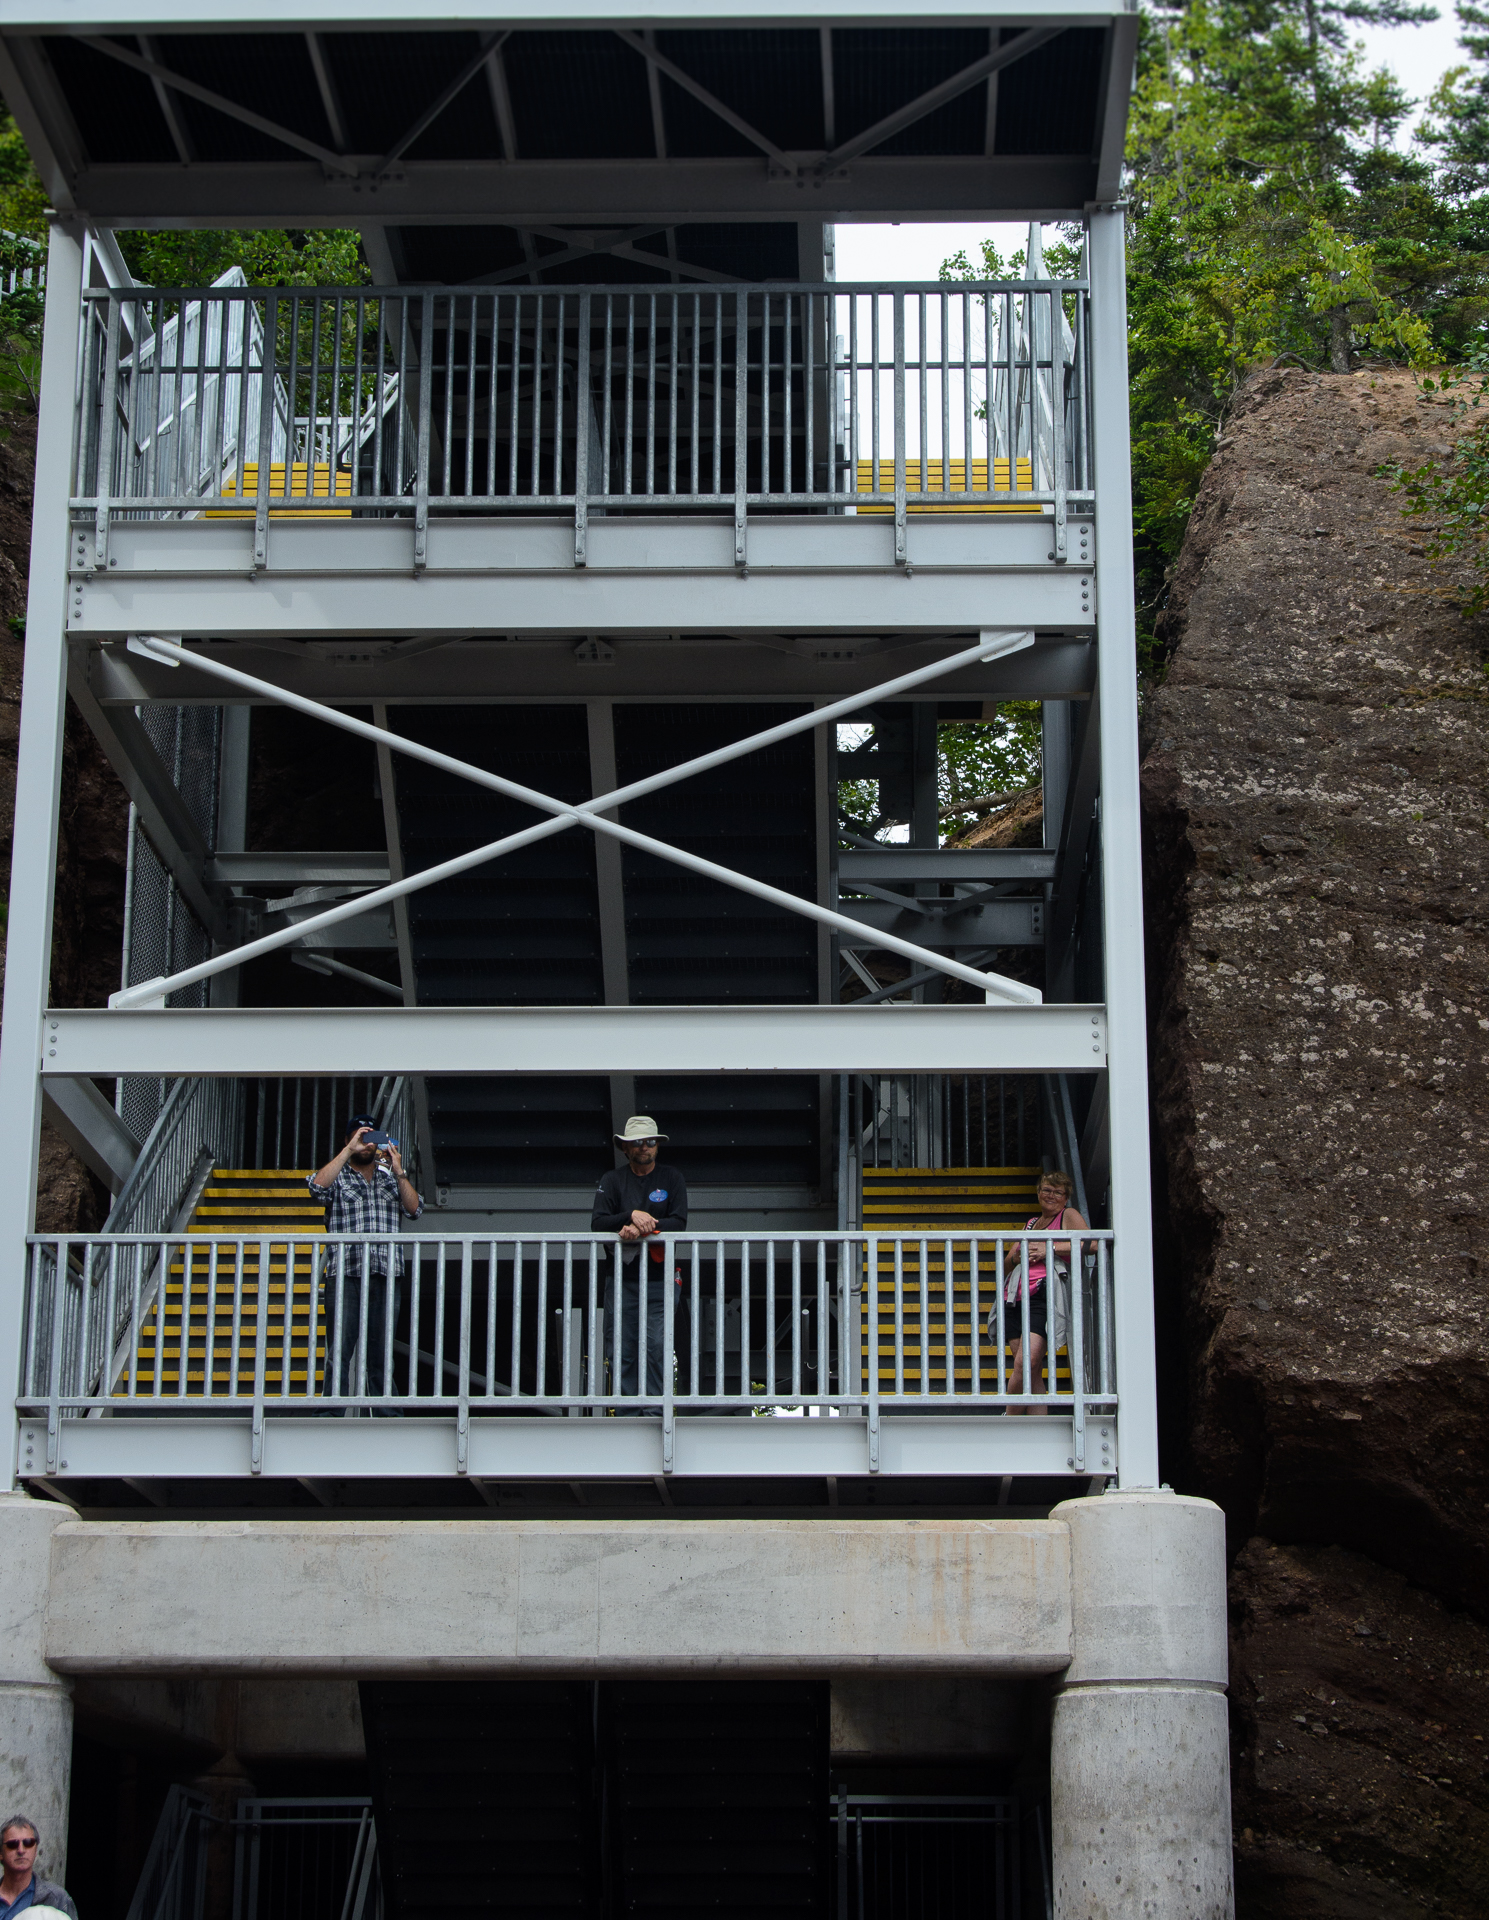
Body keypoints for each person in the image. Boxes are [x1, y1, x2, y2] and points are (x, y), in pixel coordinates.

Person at [309, 1114, 424, 1406]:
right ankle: (331, 1412)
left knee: (382, 1352)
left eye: (372, 1137)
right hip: (345, 1273)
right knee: (339, 1350)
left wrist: (398, 1170)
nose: (367, 1143)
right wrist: (349, 1150)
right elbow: (316, 1188)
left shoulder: (390, 1175)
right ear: (349, 1139)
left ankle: (386, 1416)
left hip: (386, 1273)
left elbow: (414, 1209)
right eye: (362, 1136)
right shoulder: (340, 1175)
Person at [591, 1117, 688, 1407]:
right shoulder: (611, 1180)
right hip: (621, 1280)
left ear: (657, 1146)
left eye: (649, 1141)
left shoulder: (672, 1178)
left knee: (657, 1345)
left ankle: (655, 1410)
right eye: (637, 1142)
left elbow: (679, 1222)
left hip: (661, 1279)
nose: (644, 1147)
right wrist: (629, 1216)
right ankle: (626, 1411)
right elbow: (598, 1224)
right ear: (625, 1148)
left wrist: (645, 1227)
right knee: (622, 1346)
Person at [993, 1169, 1087, 1414]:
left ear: (1066, 1198)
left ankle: (1009, 1419)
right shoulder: (1032, 1223)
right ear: (1038, 1193)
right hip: (1014, 1297)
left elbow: (1091, 1243)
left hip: (1042, 1295)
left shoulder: (1068, 1215)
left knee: (1026, 1363)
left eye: (1058, 1192)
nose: (1051, 1195)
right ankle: (1039, 1426)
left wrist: (1050, 1248)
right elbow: (1005, 1265)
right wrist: (1015, 1258)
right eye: (1046, 1190)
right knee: (1031, 1370)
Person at [0, 1818, 76, 1920]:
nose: (21, 1850)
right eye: (12, 1844)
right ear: (1, 1853)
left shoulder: (57, 1898)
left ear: (35, 1850)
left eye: (28, 1843)